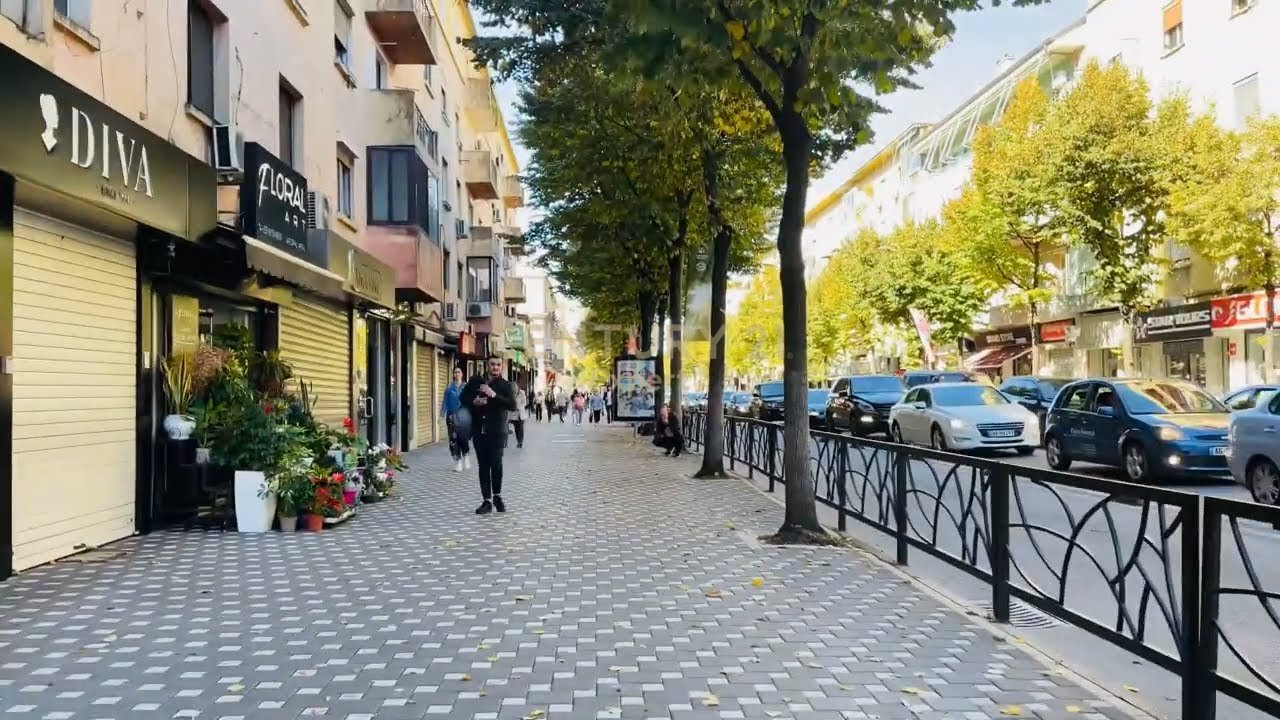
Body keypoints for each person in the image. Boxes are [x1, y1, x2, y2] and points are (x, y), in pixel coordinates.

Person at [460, 356, 518, 514]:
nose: (495, 367)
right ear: (487, 365)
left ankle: (497, 496)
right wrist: (474, 401)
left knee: (496, 464)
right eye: (492, 364)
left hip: (497, 431)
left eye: (498, 364)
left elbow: (512, 405)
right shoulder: (475, 381)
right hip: (479, 431)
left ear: (501, 367)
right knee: (483, 466)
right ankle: (486, 501)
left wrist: (494, 395)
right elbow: (463, 398)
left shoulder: (505, 385)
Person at [440, 366, 470, 472]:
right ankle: (458, 462)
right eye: (455, 372)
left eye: (459, 372)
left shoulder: (466, 387)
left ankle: (466, 454)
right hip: (451, 417)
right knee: (453, 440)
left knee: (463, 438)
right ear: (453, 374)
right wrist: (442, 413)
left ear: (462, 374)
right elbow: (445, 402)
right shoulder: (449, 389)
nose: (457, 374)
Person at [509, 379, 527, 449]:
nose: (514, 388)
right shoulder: (510, 394)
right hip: (513, 414)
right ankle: (518, 441)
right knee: (516, 429)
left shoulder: (522, 393)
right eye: (512, 387)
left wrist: (518, 407)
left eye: (515, 386)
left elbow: (524, 402)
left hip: (520, 414)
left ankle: (520, 442)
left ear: (517, 386)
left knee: (520, 428)